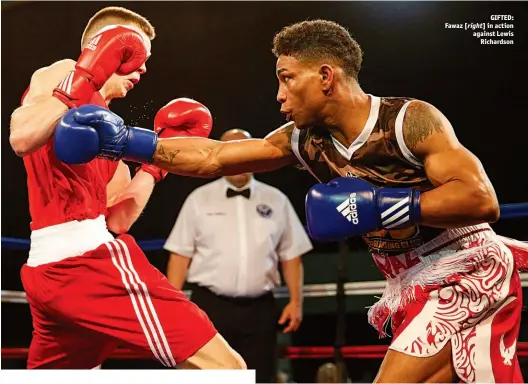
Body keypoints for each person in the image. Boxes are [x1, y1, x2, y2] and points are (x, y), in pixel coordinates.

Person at [52, 19, 527, 383]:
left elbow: (481, 199)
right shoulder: (304, 140)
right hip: (409, 279)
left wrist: (382, 205)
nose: (278, 95)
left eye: (287, 78)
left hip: (464, 267)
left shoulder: (408, 121)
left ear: (325, 76)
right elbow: (217, 157)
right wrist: (127, 143)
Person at [9, 6, 245, 370]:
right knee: (226, 369)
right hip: (84, 262)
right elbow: (21, 137)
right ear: (106, 47)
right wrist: (82, 78)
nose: (144, 68)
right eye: (135, 54)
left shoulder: (107, 136)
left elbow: (117, 219)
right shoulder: (61, 75)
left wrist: (153, 168)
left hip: (51, 273)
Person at [164, 129, 313, 382]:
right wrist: (171, 308)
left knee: (261, 375)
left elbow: (291, 254)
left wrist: (296, 301)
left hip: (260, 309)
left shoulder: (276, 199)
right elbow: (180, 255)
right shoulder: (199, 199)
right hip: (209, 306)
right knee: (209, 376)